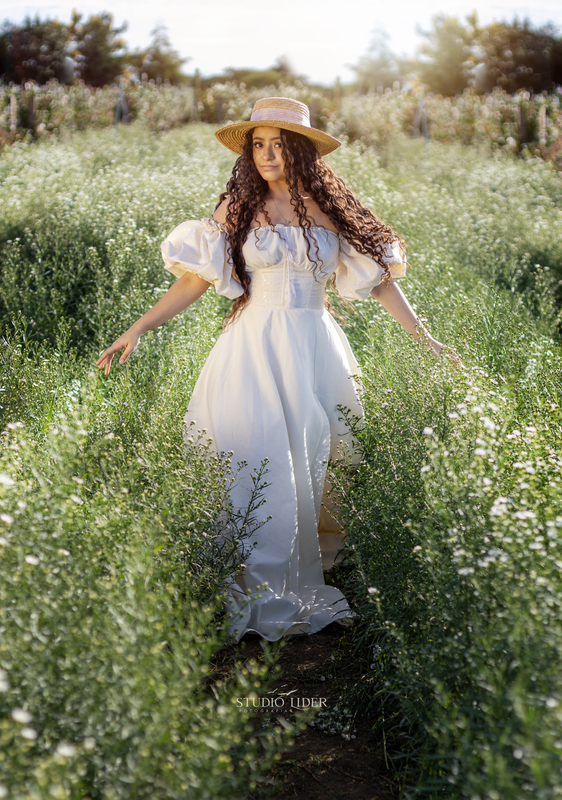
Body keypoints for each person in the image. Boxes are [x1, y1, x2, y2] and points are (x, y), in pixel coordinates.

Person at [97, 97, 447, 642]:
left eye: (277, 144)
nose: (265, 155)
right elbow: (193, 279)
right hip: (252, 346)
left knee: (308, 463)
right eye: (257, 145)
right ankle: (249, 580)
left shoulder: (329, 210)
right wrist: (139, 327)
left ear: (301, 150)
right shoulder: (240, 207)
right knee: (255, 457)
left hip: (313, 348)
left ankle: (297, 574)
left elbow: (379, 281)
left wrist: (426, 339)